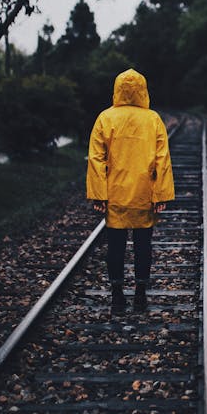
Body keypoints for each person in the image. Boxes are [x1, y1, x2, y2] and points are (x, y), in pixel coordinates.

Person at [86, 68, 174, 315]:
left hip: (115, 195)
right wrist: (161, 195)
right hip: (144, 194)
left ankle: (116, 297)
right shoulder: (153, 119)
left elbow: (96, 158)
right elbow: (162, 159)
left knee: (115, 246)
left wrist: (98, 194)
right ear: (143, 90)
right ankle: (140, 295)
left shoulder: (105, 118)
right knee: (143, 244)